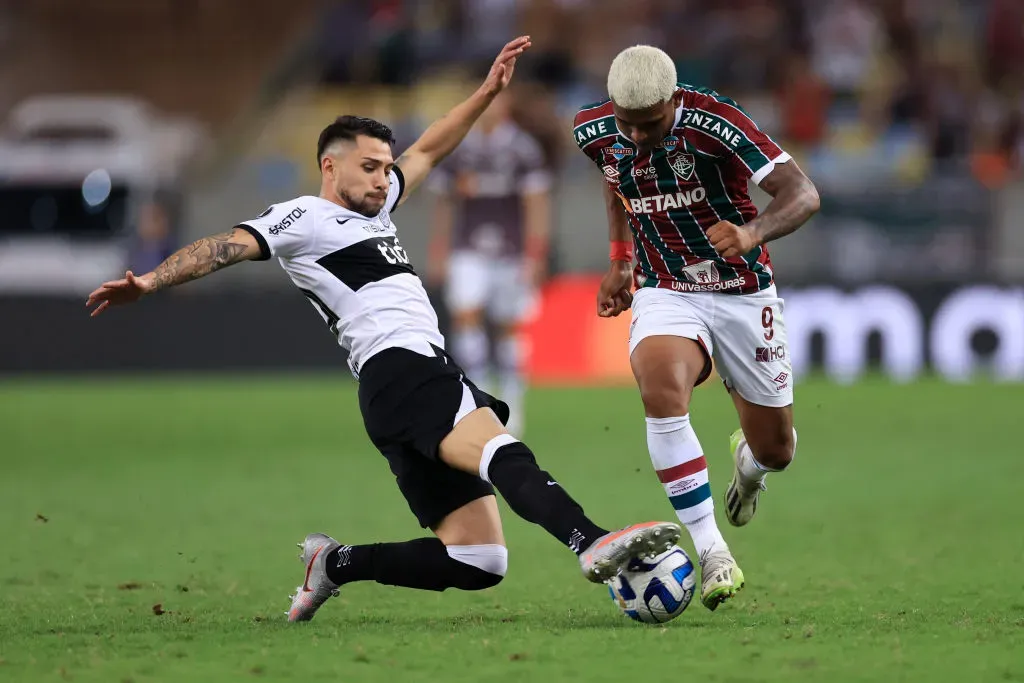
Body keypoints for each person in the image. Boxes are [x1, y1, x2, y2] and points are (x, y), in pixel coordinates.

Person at [86, 37, 681, 623]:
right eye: (368, 168)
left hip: (393, 390)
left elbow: (429, 149)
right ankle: (592, 540)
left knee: (478, 559)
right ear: (329, 165)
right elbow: (225, 246)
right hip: (403, 368)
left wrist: (483, 94)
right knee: (501, 449)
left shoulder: (379, 203)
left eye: (384, 169)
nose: (382, 179)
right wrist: (151, 281)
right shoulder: (304, 218)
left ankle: (335, 564)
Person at [572, 46, 820, 611]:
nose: (636, 137)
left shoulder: (718, 122)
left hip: (742, 292)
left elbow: (803, 194)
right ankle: (712, 550)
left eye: (650, 123)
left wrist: (753, 232)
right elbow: (616, 178)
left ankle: (749, 472)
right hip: (666, 289)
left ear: (675, 100)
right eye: (626, 124)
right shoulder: (592, 130)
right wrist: (620, 260)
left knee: (777, 450)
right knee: (659, 386)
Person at [426, 88, 552, 436]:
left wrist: (536, 252)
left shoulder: (522, 148)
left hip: (511, 252)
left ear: (507, 104)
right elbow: (444, 202)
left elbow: (536, 202)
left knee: (508, 326)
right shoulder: (459, 147)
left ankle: (513, 400)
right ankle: (479, 400)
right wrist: (438, 247)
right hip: (467, 249)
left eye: (497, 100)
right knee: (466, 316)